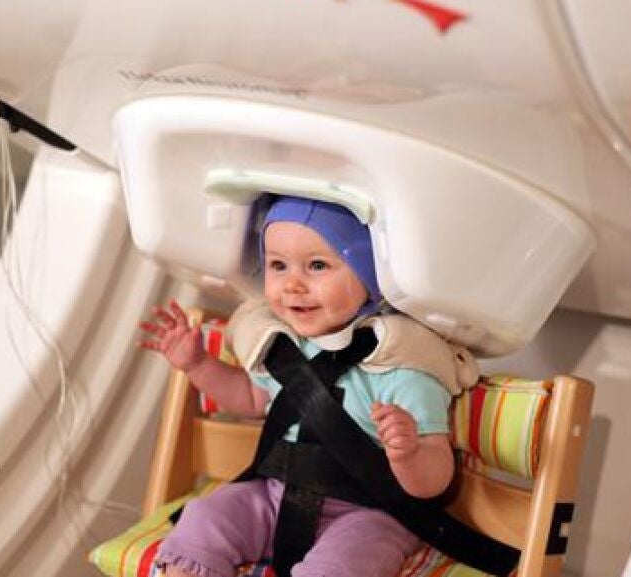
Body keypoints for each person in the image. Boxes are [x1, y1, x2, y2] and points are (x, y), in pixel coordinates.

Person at [139, 196, 476, 577]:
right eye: (278, 265)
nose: (293, 284)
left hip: (370, 513)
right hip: (274, 495)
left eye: (317, 265)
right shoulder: (280, 346)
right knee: (204, 519)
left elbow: (434, 481)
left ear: (369, 275)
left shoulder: (402, 364)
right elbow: (250, 398)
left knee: (342, 566)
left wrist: (410, 452)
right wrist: (198, 365)